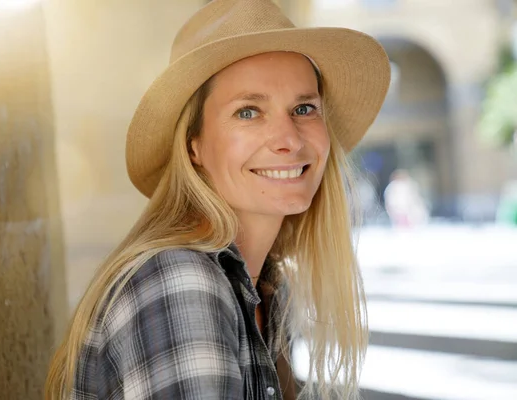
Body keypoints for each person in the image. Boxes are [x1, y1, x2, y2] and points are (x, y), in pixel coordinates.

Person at [45, 0, 390, 399]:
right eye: (248, 112)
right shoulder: (182, 280)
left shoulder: (266, 289)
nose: (289, 140)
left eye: (303, 108)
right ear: (194, 147)